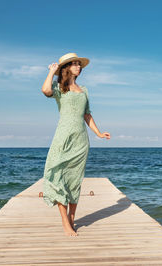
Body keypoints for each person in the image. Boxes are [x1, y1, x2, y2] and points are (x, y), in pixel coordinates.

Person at [40, 52, 111, 236]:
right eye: (75, 64)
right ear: (67, 68)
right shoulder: (59, 88)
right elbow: (45, 91)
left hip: (80, 140)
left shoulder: (84, 90)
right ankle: (65, 222)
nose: (79, 67)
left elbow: (87, 114)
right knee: (59, 177)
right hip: (63, 138)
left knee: (74, 181)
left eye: (80, 64)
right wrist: (51, 72)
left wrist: (99, 133)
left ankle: (72, 218)